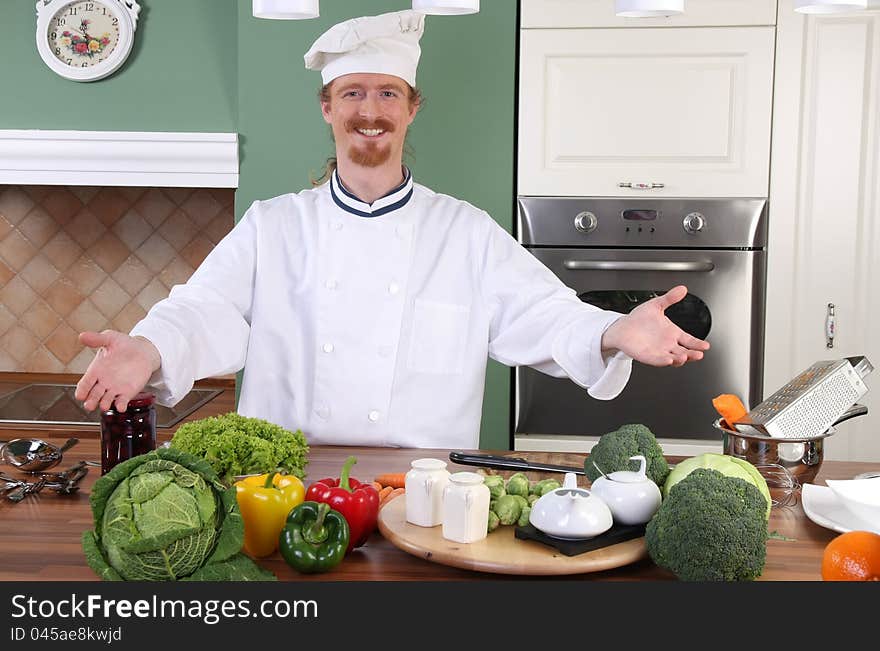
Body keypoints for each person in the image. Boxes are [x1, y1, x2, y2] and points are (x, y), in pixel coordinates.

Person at [74, 10, 709, 449]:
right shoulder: (273, 227)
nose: (369, 112)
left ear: (411, 108)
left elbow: (546, 314)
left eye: (386, 93)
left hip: (423, 487)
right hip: (286, 481)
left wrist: (616, 330)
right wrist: (149, 346)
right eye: (352, 94)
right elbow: (202, 309)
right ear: (327, 108)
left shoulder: (464, 231)